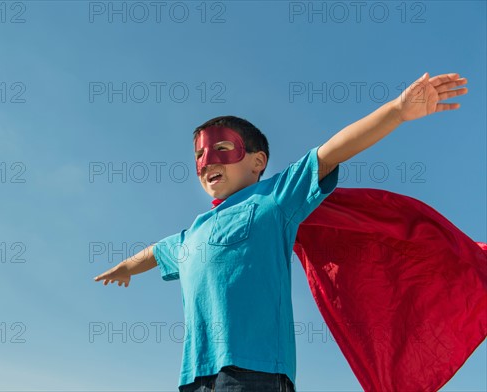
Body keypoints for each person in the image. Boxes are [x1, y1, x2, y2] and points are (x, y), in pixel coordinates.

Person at [94, 72, 476, 392]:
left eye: (222, 148)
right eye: (198, 155)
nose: (206, 161)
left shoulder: (273, 199)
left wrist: (396, 110)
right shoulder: (191, 234)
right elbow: (157, 252)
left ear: (257, 161)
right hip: (195, 377)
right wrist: (126, 267)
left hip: (253, 372)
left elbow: (332, 152)